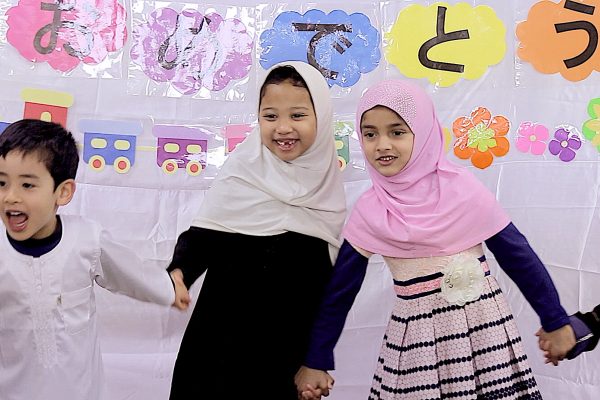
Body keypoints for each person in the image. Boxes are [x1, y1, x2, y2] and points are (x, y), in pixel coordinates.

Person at [295, 79, 575, 400]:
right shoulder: (370, 212)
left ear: (424, 132)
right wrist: (316, 360)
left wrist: (555, 320)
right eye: (370, 134)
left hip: (484, 338)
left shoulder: (463, 191)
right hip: (419, 347)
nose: (382, 144)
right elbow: (340, 292)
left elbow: (518, 257)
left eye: (397, 132)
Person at [166, 61, 346, 399]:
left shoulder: (326, 195)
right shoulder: (241, 173)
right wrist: (179, 273)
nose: (283, 128)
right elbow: (202, 238)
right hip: (215, 354)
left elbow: (326, 294)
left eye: (297, 115)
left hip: (284, 363)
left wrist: (316, 361)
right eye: (270, 116)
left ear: (321, 119)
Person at [0, 119, 190, 400]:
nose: (10, 197)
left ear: (63, 192)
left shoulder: (86, 239)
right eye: (2, 183)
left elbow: (130, 272)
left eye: (27, 185)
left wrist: (168, 289)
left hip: (79, 390)